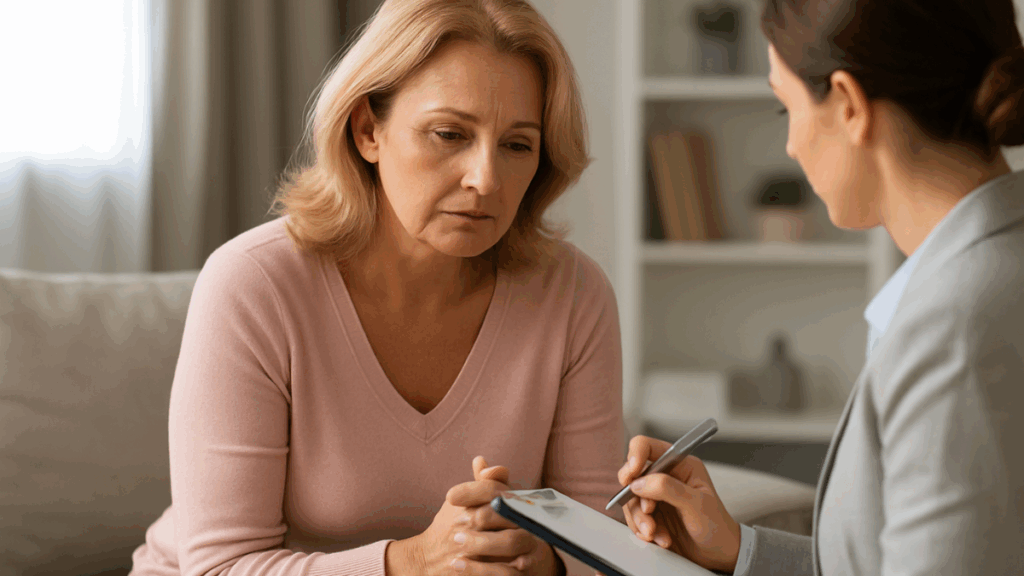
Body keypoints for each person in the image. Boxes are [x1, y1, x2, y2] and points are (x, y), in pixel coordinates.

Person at [128, 1, 626, 575]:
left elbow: (596, 543)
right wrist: (412, 561)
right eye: (449, 134)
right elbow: (220, 567)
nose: (485, 179)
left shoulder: (574, 294)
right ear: (368, 130)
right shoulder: (252, 285)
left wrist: (539, 560)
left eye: (517, 145)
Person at [610, 0, 1024, 574]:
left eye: (786, 110)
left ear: (849, 105)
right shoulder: (983, 275)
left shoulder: (955, 330)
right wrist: (739, 550)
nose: (790, 145)